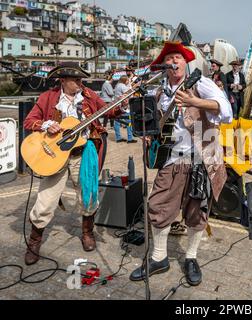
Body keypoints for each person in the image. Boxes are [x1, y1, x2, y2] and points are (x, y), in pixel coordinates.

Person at [129, 41, 232, 286]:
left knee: (197, 211)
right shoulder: (158, 91)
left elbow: (226, 110)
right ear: (164, 66)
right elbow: (155, 123)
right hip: (172, 158)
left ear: (185, 63)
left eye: (178, 58)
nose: (174, 61)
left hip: (201, 158)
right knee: (158, 205)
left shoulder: (200, 84)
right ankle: (159, 257)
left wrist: (195, 102)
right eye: (169, 59)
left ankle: (191, 258)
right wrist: (148, 133)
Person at [22, 62, 127, 265]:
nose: (81, 83)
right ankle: (34, 242)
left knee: (88, 196)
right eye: (76, 80)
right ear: (63, 81)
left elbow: (107, 111)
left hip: (83, 154)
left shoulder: (88, 96)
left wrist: (120, 104)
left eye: (81, 79)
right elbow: (29, 121)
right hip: (55, 155)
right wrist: (46, 124)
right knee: (45, 201)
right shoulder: (48, 97)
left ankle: (87, 233)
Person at [113, 75, 136, 143]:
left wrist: (131, 84)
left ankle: (118, 138)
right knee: (129, 121)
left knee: (117, 122)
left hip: (117, 105)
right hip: (124, 107)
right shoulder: (123, 86)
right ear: (124, 80)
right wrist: (134, 87)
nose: (128, 81)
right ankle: (130, 138)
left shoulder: (117, 85)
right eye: (127, 80)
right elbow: (129, 93)